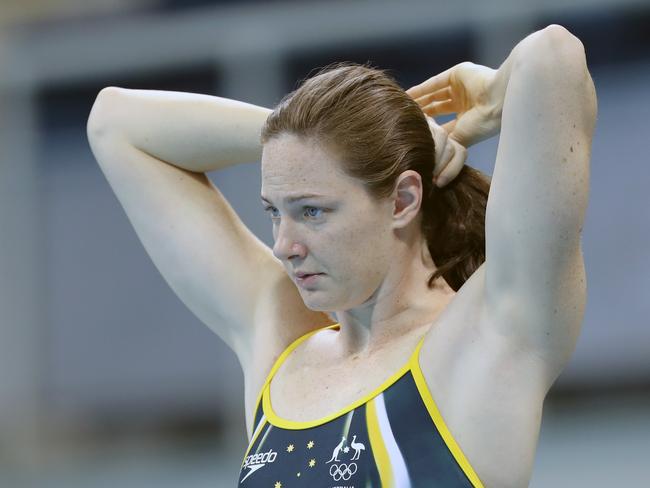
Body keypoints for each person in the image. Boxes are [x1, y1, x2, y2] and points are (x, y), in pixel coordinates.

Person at [86, 23, 597, 488]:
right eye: (274, 211)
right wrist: (305, 143)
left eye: (312, 212)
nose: (285, 246)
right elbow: (114, 122)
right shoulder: (281, 343)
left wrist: (474, 109)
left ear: (401, 201)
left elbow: (552, 58)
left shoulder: (489, 338)